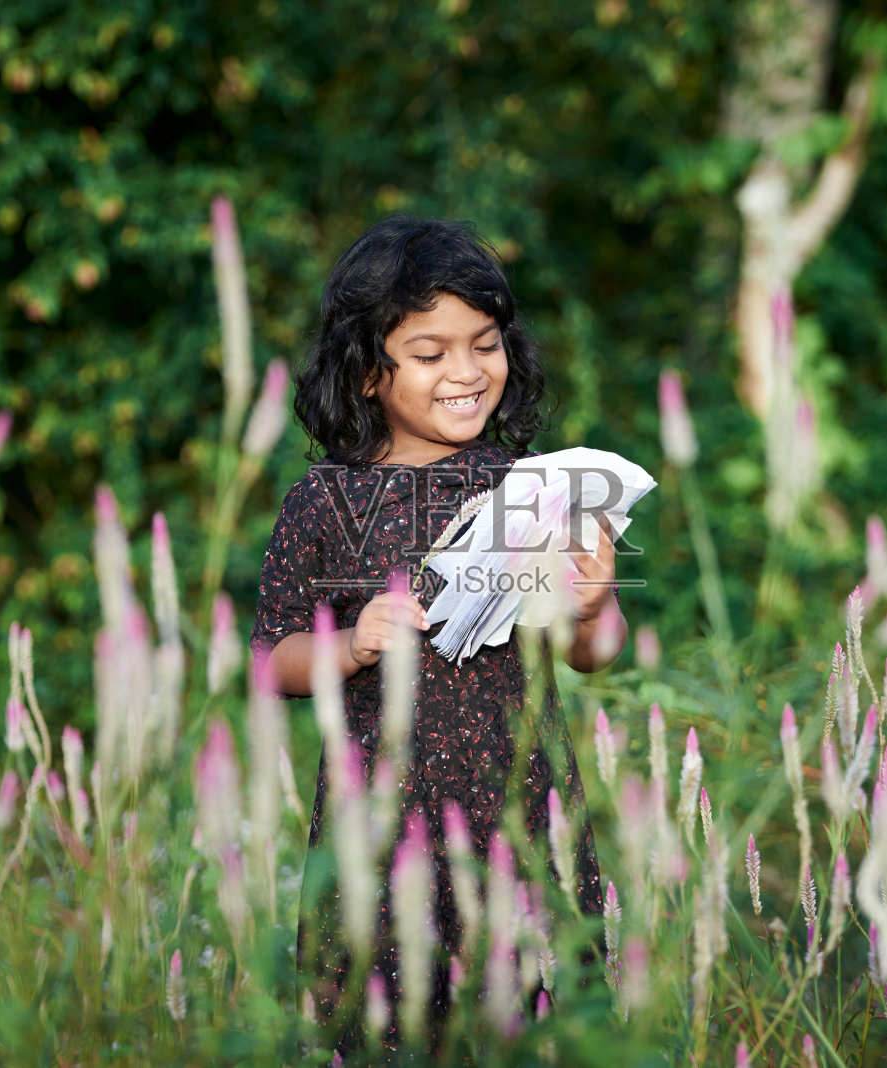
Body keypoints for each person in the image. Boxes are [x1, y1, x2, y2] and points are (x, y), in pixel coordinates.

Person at [250, 216, 625, 1056]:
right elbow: (271, 659)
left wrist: (593, 606)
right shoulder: (326, 502)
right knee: (387, 1028)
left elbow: (591, 655)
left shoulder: (527, 488)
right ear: (367, 371)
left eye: (485, 345)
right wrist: (350, 644)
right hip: (380, 829)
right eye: (430, 354)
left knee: (534, 1024)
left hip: (522, 811)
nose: (466, 371)